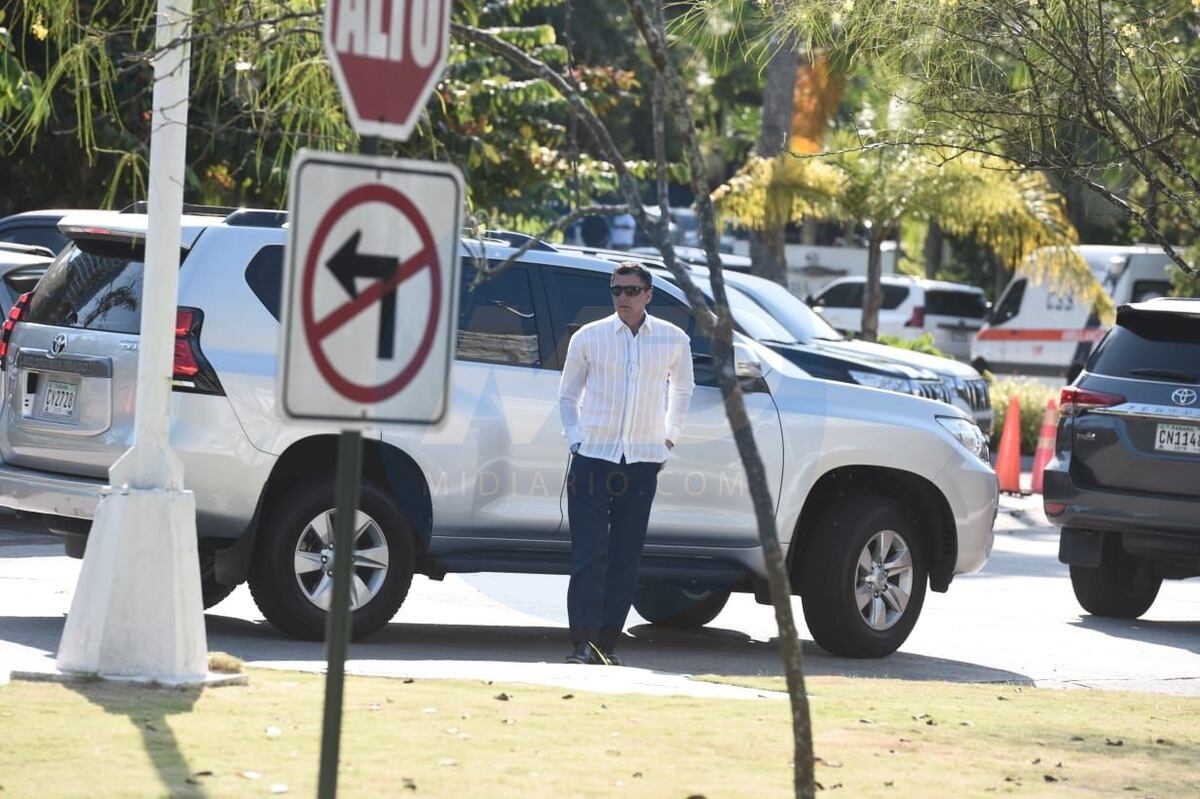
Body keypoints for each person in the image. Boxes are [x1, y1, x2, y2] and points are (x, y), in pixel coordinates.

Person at [557, 262, 695, 665]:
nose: (622, 298)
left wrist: (669, 437)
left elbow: (683, 389)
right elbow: (568, 397)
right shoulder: (590, 336)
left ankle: (606, 645)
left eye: (631, 291)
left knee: (625, 555)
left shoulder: (673, 339)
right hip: (593, 459)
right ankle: (581, 643)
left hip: (641, 461)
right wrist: (576, 440)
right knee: (589, 553)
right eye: (616, 290)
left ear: (649, 294)